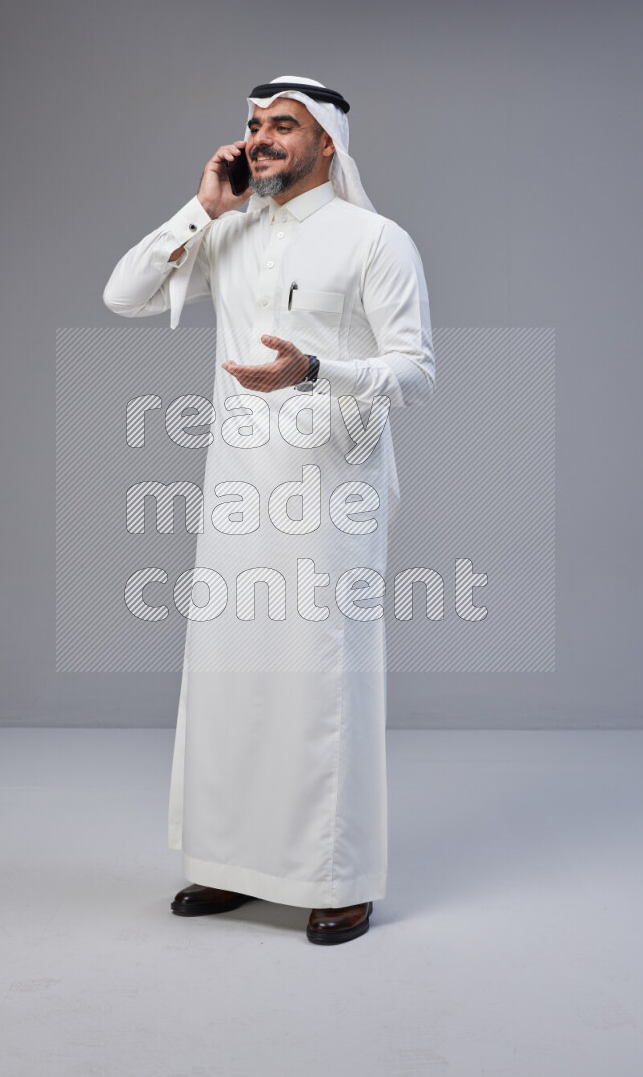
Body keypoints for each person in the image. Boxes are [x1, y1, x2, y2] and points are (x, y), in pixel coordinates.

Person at [103, 75, 434, 944]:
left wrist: (317, 370)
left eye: (282, 125)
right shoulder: (230, 232)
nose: (261, 139)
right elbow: (122, 294)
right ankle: (228, 864)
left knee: (326, 682)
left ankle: (340, 876)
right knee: (232, 678)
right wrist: (201, 207)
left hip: (331, 494)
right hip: (237, 495)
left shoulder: (376, 240)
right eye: (253, 126)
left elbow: (415, 370)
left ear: (328, 142)